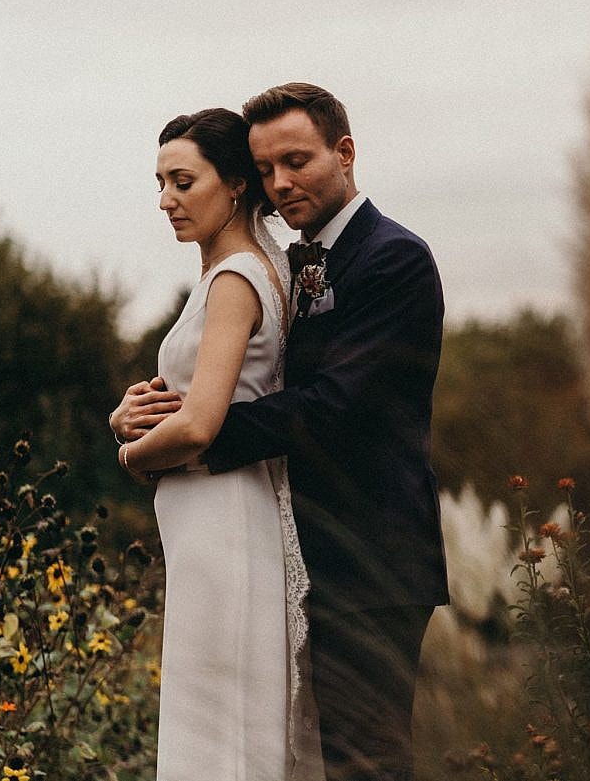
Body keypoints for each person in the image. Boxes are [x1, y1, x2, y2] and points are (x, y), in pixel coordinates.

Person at [113, 83, 449, 781]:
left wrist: (184, 442)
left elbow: (331, 405)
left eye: (296, 160)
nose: (280, 182)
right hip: (299, 545)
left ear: (345, 152)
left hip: (371, 558)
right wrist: (150, 411)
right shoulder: (295, 263)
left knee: (368, 760)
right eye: (267, 168)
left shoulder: (393, 259)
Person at [112, 107, 323, 780]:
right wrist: (130, 416)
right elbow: (193, 401)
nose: (166, 200)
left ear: (235, 184)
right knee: (219, 723)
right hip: (214, 522)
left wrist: (127, 456)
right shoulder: (241, 271)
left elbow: (202, 423)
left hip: (225, 522)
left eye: (182, 181)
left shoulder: (235, 279)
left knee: (220, 736)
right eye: (161, 183)